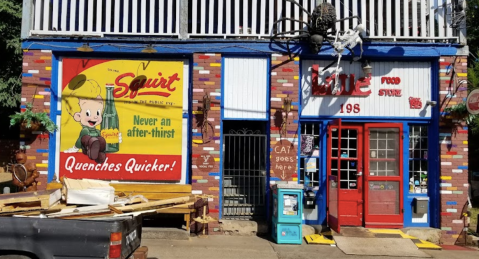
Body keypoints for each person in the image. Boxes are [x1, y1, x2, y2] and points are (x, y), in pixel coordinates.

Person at [64, 80, 107, 163]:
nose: (95, 116)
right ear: (78, 116)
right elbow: (80, 140)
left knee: (101, 139)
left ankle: (99, 153)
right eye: (88, 113)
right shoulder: (85, 130)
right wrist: (75, 148)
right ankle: (92, 149)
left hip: (95, 146)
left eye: (98, 113)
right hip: (86, 148)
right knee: (86, 138)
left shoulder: (97, 131)